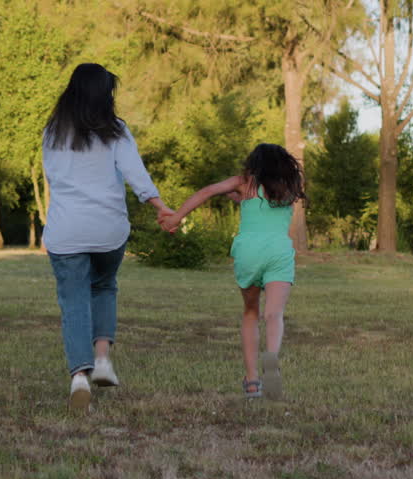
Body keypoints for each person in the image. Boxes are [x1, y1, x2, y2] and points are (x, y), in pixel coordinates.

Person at [41, 63, 174, 411]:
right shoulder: (116, 131)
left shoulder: (52, 132)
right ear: (104, 95)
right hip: (108, 228)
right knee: (103, 286)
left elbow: (53, 178)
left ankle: (79, 378)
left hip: (66, 229)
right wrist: (161, 207)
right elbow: (136, 174)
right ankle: (102, 360)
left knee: (73, 301)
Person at [160, 143, 304, 400]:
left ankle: (251, 381)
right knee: (274, 313)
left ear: (254, 164)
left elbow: (207, 192)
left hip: (249, 251)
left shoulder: (244, 183)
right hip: (279, 252)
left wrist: (176, 217)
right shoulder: (288, 190)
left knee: (251, 312)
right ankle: (271, 362)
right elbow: (264, 206)